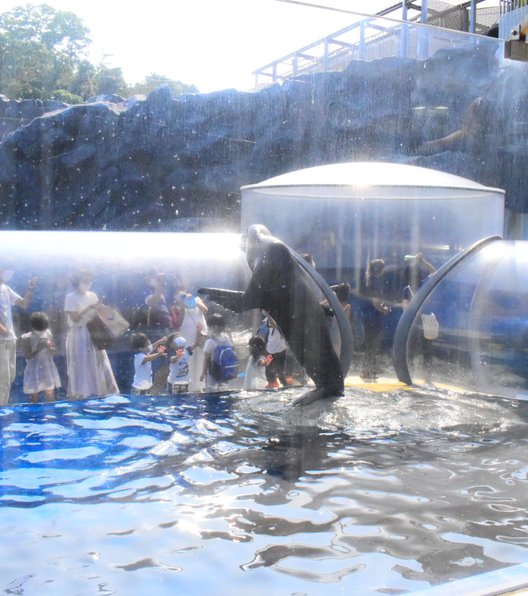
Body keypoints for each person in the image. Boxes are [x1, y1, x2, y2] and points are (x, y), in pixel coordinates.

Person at [64, 270, 119, 400]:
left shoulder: (93, 295)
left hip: (94, 332)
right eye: (85, 281)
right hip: (79, 334)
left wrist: (105, 311)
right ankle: (81, 393)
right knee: (81, 364)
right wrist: (89, 308)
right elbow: (75, 318)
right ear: (77, 282)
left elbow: (100, 313)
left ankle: (101, 391)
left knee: (100, 360)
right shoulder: (70, 297)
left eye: (89, 281)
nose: (88, 283)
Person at [0, 267, 36, 405]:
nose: (7, 272)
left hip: (10, 338)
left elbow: (23, 303)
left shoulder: (5, 288)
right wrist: (2, 329)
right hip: (1, 339)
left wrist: (30, 289)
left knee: (10, 377)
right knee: (3, 378)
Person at [21, 311, 61, 403]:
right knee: (33, 396)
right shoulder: (26, 337)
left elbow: (54, 350)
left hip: (47, 367)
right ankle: (34, 414)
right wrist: (39, 347)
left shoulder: (48, 333)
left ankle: (51, 411)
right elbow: (28, 355)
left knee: (50, 394)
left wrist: (51, 347)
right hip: (33, 368)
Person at [200, 313, 238, 392]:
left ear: (212, 327)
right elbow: (232, 348)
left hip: (213, 374)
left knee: (212, 392)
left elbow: (206, 359)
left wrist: (203, 373)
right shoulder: (226, 338)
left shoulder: (210, 342)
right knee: (223, 390)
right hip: (225, 372)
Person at [264, 315, 289, 388]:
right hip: (270, 349)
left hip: (280, 350)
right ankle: (271, 384)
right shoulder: (269, 318)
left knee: (281, 371)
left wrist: (268, 314)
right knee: (269, 372)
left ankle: (284, 386)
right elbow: (270, 331)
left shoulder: (277, 317)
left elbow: (274, 325)